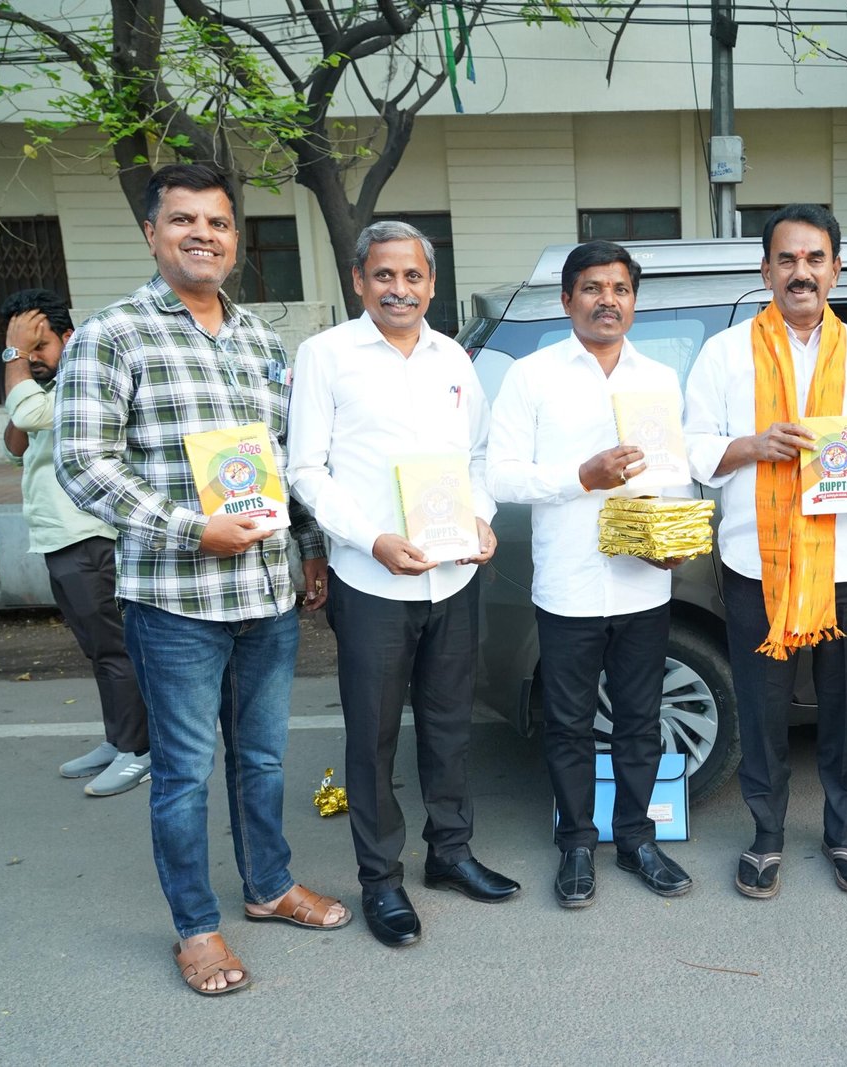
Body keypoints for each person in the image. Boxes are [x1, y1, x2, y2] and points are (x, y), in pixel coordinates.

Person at [55, 163, 349, 996]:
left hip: (266, 595)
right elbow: (82, 462)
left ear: (235, 239)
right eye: (183, 220)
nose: (203, 235)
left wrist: (310, 545)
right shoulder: (113, 335)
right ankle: (195, 926)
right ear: (152, 232)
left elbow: (286, 460)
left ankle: (268, 886)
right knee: (183, 772)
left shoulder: (261, 340)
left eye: (218, 223)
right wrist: (192, 528)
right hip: (175, 600)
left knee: (262, 758)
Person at [288, 221, 516, 947]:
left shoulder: (454, 358)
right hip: (371, 580)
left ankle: (450, 852)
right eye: (384, 275)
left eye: (413, 276)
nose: (399, 289)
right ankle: (381, 879)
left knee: (450, 726)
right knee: (374, 736)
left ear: (432, 283)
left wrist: (480, 518)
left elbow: (477, 455)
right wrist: (370, 539)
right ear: (359, 280)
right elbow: (306, 469)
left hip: (451, 578)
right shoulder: (326, 356)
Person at [684, 205, 847, 899]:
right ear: (766, 271)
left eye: (814, 259)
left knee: (844, 707)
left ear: (836, 269)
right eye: (787, 259)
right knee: (761, 707)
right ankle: (766, 833)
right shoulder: (726, 353)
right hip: (758, 562)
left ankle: (846, 833)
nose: (801, 272)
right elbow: (694, 445)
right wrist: (753, 445)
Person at [487, 240, 694, 909]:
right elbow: (501, 475)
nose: (609, 300)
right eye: (593, 288)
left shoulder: (658, 378)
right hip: (570, 582)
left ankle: (636, 839)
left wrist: (672, 542)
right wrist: (581, 476)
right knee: (569, 722)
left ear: (634, 300)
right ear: (567, 299)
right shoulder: (532, 376)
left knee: (639, 719)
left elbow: (673, 475)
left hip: (643, 580)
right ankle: (576, 842)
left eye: (620, 288)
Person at [0, 289, 152, 797]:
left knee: (115, 650)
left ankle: (140, 751)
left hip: (89, 536)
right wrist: (26, 374)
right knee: (97, 651)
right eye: (22, 348)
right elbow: (16, 444)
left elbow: (29, 419)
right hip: (58, 537)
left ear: (69, 337)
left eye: (38, 346)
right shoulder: (46, 385)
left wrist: (15, 361)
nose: (30, 358)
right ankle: (119, 740)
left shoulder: (86, 378)